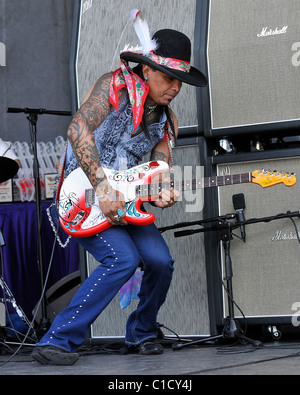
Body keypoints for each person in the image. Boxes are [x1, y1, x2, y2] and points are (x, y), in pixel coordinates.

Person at [31, 21, 207, 365]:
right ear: (147, 68)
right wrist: (101, 186)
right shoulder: (114, 86)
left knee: (160, 261)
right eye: (168, 78)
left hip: (126, 198)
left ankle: (141, 333)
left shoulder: (166, 121)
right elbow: (77, 128)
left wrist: (164, 193)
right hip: (83, 191)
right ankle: (58, 339)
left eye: (179, 81)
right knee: (123, 259)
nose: (175, 88)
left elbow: (160, 169)